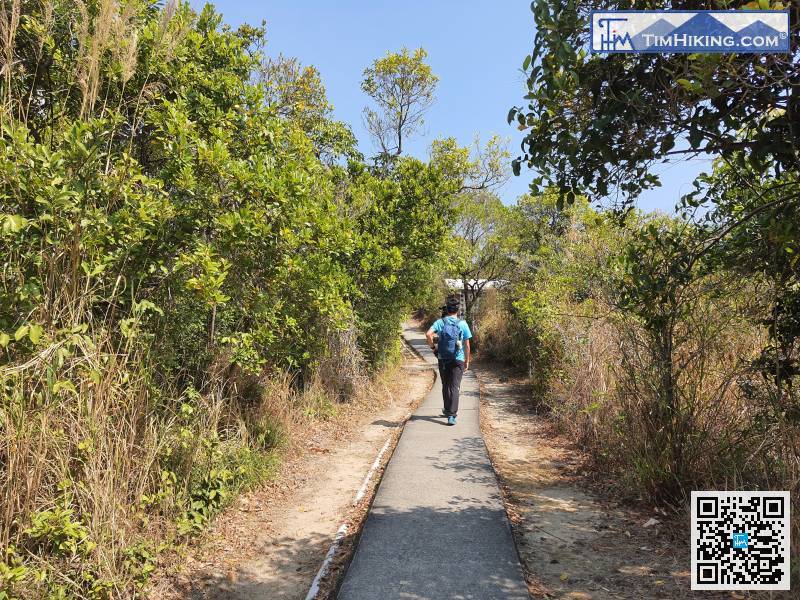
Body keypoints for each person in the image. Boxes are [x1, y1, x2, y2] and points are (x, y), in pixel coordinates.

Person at [426, 297, 472, 426]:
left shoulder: (440, 322)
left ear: (447, 309)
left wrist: (433, 349)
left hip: (443, 358)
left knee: (445, 384)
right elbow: (467, 345)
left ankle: (447, 409)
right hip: (458, 359)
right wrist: (467, 361)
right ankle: (452, 415)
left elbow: (428, 334)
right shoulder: (463, 324)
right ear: (458, 309)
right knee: (455, 386)